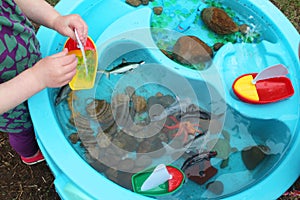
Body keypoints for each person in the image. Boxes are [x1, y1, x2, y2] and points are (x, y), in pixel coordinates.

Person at [0, 0, 88, 165]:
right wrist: (36, 78)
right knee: (22, 132)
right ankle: (30, 154)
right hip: (12, 108)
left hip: (29, 60)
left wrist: (56, 20)